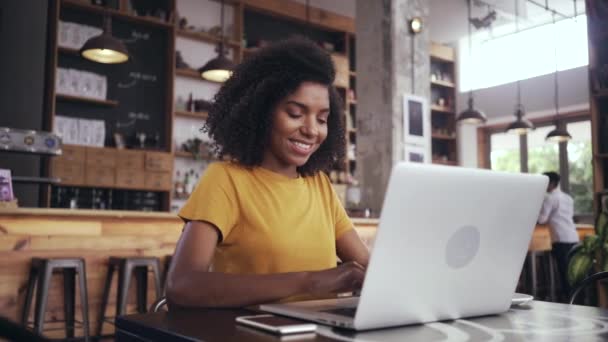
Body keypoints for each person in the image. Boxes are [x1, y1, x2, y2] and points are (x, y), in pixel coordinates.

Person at [166, 37, 370, 308]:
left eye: (322, 119)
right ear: (261, 112)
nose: (312, 130)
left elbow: (368, 267)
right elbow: (182, 286)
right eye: (296, 113)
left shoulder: (319, 185)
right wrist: (308, 282)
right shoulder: (226, 180)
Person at [537, 171, 579, 301]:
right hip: (573, 237)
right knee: (574, 273)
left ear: (552, 183)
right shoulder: (567, 197)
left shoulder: (550, 198)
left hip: (560, 239)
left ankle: (570, 301)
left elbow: (542, 219)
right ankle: (578, 299)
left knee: (565, 274)